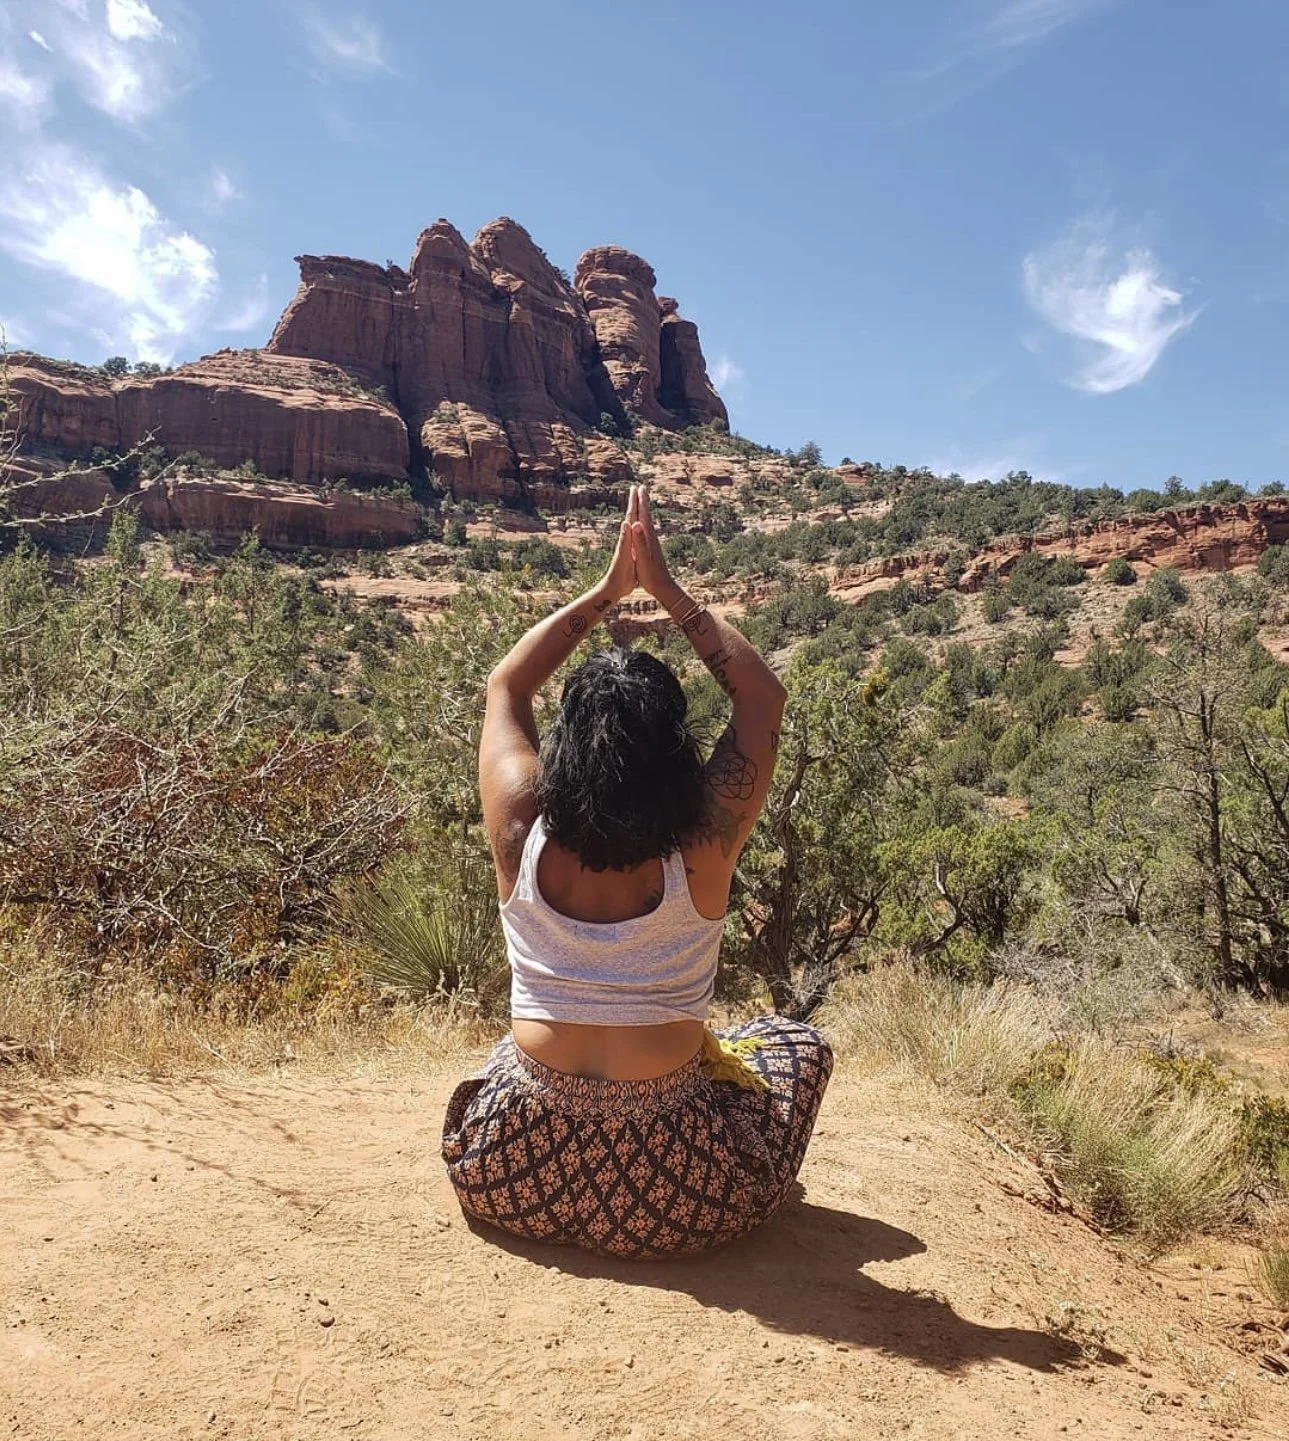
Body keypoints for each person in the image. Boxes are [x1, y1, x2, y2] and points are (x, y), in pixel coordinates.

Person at [441, 486, 832, 1259]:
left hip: (511, 1172)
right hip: (687, 1198)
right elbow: (760, 696)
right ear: (676, 753)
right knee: (794, 1043)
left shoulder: (518, 826)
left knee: (505, 1056)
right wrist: (669, 594)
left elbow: (505, 686)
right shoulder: (704, 842)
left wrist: (604, 592)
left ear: (566, 745)